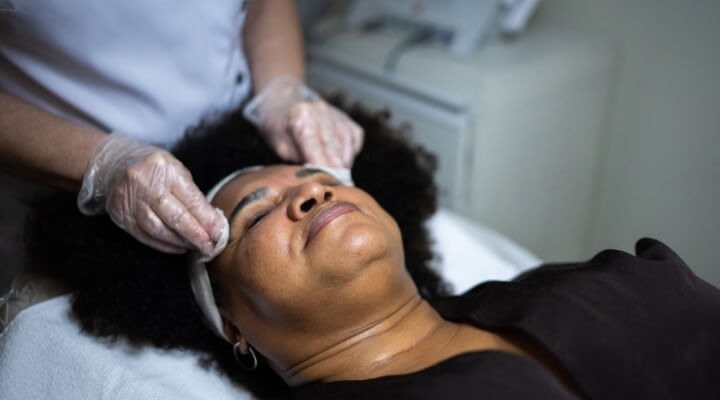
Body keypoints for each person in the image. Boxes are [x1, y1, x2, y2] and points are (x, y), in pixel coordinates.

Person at [23, 106, 720, 399]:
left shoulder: (591, 283)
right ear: (232, 325)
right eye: (255, 211)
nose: (310, 196)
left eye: (320, 180)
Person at [0, 1, 363, 258]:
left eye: (324, 182)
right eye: (256, 219)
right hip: (59, 188)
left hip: (239, 129)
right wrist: (103, 163)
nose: (315, 190)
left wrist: (280, 91)